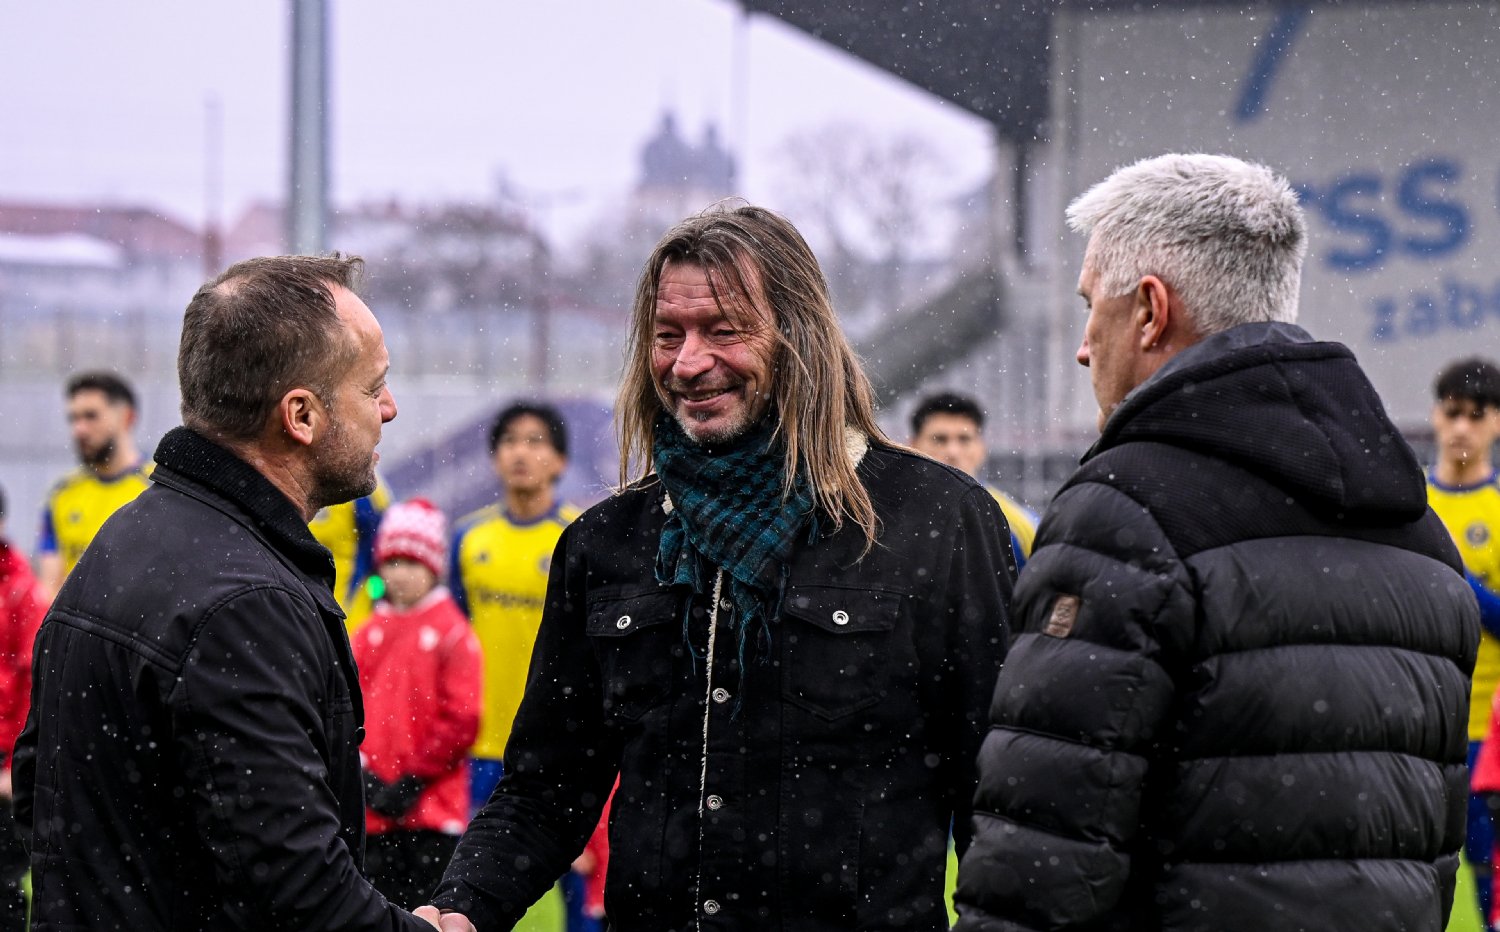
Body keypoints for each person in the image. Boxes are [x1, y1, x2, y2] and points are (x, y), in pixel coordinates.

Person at [425, 204, 1014, 931]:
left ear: (799, 336)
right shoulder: (606, 544)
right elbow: (547, 787)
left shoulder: (938, 521)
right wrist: (460, 908)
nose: (688, 363)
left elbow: (998, 795)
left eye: (724, 331)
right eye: (667, 335)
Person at [954, 154, 1477, 931]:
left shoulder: (1123, 512)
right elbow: (1424, 859)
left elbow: (1042, 858)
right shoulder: (1422, 536)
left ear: (1150, 311)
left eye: (1092, 306)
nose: (1084, 345)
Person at [12, 254, 449, 931]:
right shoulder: (245, 604)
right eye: (374, 387)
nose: (390, 409)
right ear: (301, 415)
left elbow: (40, 791)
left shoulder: (124, 538)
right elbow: (297, 891)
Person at [449, 402, 580, 810]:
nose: (520, 452)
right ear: (495, 457)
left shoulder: (577, 538)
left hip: (552, 738)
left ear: (560, 461)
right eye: (509, 441)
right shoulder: (469, 538)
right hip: (478, 739)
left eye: (535, 441)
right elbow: (453, 633)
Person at [356, 497, 482, 911]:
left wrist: (413, 780)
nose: (399, 574)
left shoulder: (453, 632)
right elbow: (344, 711)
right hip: (373, 814)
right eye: (391, 562)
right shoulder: (366, 633)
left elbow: (462, 720)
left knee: (426, 915)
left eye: (412, 563)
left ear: (433, 568)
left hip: (432, 812)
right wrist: (365, 778)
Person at [1426, 357, 1500, 930]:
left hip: (1486, 734)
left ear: (1496, 423)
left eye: (1475, 415)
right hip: (1419, 730)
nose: (1461, 428)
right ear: (1435, 415)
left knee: (1486, 869)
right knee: (1414, 871)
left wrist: (1456, 576)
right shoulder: (1411, 504)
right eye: (1452, 413)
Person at [36, 371, 151, 596]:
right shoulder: (61, 494)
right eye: (74, 418)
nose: (79, 429)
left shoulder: (157, 489)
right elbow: (50, 588)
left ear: (127, 417)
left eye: (91, 416)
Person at [908, 391, 1037, 571]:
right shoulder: (884, 518)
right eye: (939, 439)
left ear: (981, 448)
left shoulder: (1019, 526)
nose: (953, 451)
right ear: (912, 446)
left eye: (964, 439)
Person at [0, 485, 45, 931]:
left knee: (6, 887)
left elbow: (33, 685)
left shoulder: (21, 592)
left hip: (4, 760)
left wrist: (13, 767)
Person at [310, 477, 394, 632]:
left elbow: (379, 552)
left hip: (352, 610)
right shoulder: (293, 481)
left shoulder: (364, 490)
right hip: (309, 607)